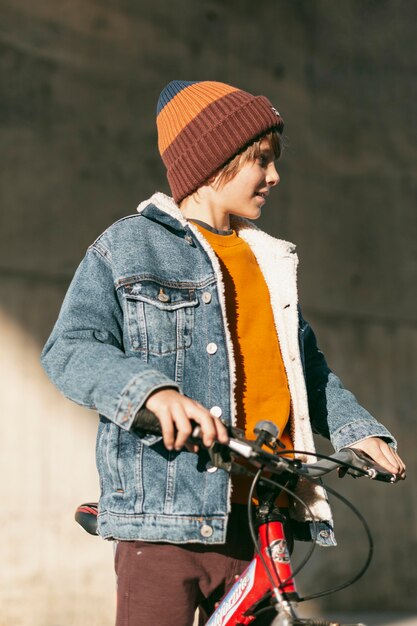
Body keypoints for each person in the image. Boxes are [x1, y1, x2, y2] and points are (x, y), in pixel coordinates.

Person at [41, 80, 405, 626]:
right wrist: (152, 392)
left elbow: (306, 369)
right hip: (167, 520)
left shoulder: (270, 262)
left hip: (263, 512)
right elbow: (69, 349)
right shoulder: (128, 246)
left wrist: (358, 429)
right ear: (214, 161)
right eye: (261, 160)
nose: (274, 176)